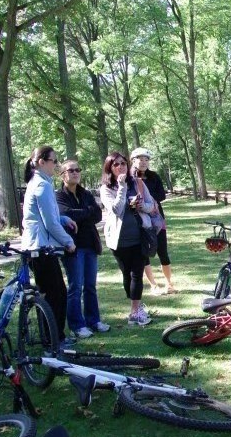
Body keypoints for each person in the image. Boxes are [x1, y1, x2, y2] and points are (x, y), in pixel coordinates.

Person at [21, 146, 78, 348]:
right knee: (54, 295)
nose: (57, 164)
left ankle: (54, 337)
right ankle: (54, 340)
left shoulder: (40, 183)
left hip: (41, 247)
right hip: (40, 248)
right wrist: (69, 242)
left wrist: (63, 218)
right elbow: (49, 224)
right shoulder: (41, 185)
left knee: (53, 294)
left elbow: (47, 216)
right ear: (41, 162)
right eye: (54, 161)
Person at [100, 152, 156, 326]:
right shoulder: (106, 189)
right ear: (110, 168)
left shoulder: (138, 183)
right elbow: (116, 209)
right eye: (116, 164)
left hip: (139, 236)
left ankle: (135, 311)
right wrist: (122, 186)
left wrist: (141, 206)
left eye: (123, 163)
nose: (120, 166)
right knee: (126, 274)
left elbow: (151, 205)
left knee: (136, 274)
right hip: (118, 240)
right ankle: (134, 305)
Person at [56, 160, 110, 338]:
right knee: (75, 286)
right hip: (73, 248)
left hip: (90, 245)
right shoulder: (59, 196)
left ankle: (93, 321)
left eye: (77, 170)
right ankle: (77, 325)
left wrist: (82, 213)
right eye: (70, 170)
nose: (75, 173)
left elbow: (98, 214)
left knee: (90, 286)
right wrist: (86, 211)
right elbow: (66, 214)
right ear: (63, 175)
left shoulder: (85, 193)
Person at [131, 148, 176, 295]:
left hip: (157, 218)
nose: (143, 162)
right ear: (133, 160)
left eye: (146, 160)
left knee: (162, 250)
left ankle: (169, 283)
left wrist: (151, 201)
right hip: (140, 219)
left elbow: (161, 194)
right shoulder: (129, 178)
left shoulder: (154, 176)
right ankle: (153, 284)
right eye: (140, 159)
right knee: (144, 252)